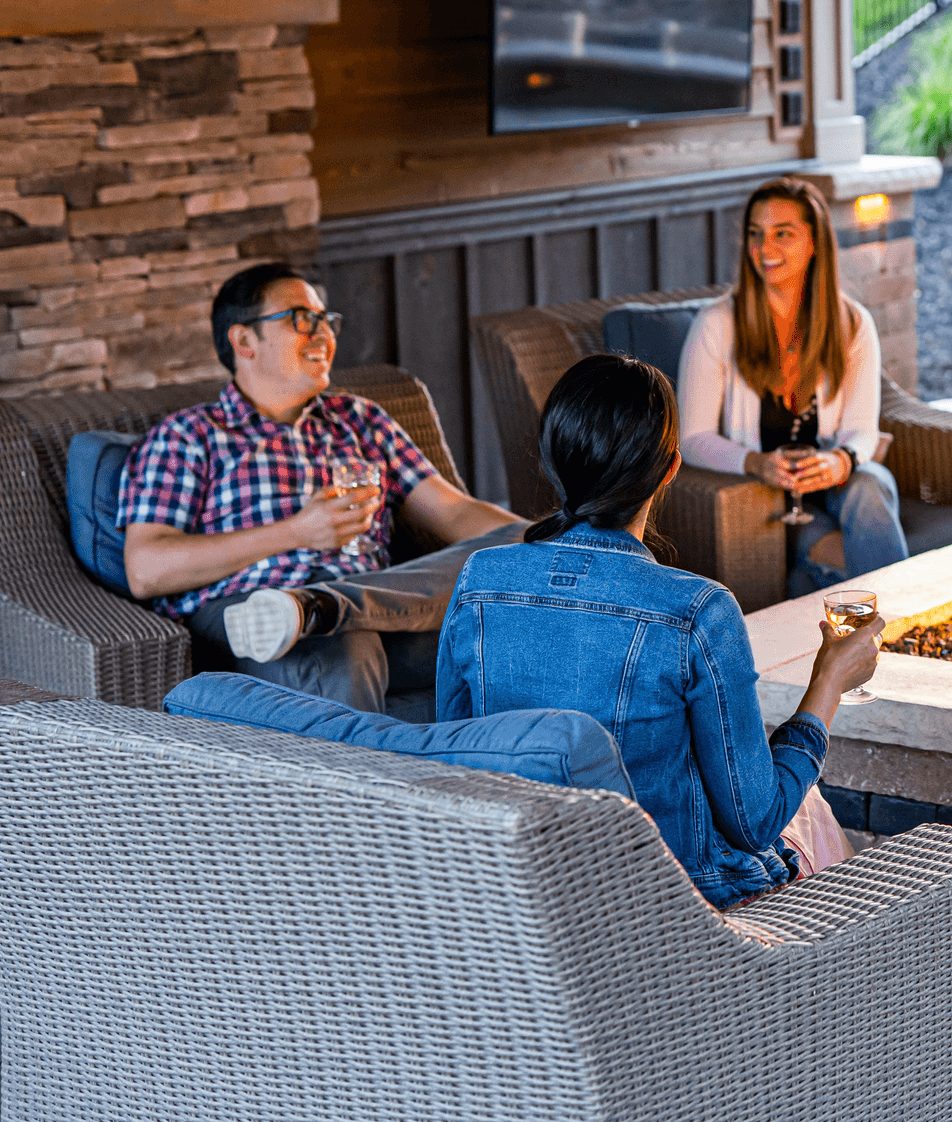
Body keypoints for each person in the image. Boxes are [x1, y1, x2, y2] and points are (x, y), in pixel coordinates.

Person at [436, 354, 881, 908]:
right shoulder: (699, 610)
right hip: (676, 909)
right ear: (670, 469)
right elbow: (754, 821)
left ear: (553, 462)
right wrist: (830, 680)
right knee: (807, 804)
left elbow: (454, 758)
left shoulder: (481, 580)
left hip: (532, 891)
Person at [119, 262, 526, 715]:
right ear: (244, 340)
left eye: (325, 321)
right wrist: (295, 533)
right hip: (258, 615)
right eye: (300, 319)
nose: (323, 335)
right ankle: (309, 612)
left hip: (380, 603)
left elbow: (452, 513)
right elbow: (146, 568)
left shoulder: (360, 419)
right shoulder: (189, 436)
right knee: (343, 647)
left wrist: (560, 539)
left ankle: (325, 606)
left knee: (517, 545)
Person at [679, 175, 909, 597]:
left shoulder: (852, 323)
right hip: (768, 498)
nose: (764, 249)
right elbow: (692, 438)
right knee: (845, 563)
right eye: (755, 234)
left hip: (838, 485)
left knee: (870, 481)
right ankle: (904, 615)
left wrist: (841, 461)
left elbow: (863, 428)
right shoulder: (717, 325)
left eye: (782, 234)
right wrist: (756, 463)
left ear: (815, 241)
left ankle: (831, 602)